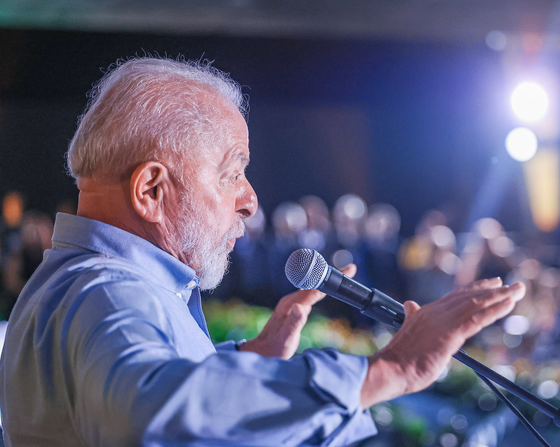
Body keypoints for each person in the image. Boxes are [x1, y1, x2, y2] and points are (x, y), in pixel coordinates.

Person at [0, 57, 526, 446]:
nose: (251, 200)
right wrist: (388, 371)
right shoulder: (108, 290)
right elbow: (149, 415)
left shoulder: (84, 285)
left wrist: (246, 366)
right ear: (151, 191)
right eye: (232, 172)